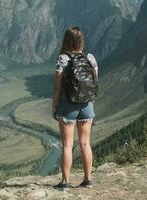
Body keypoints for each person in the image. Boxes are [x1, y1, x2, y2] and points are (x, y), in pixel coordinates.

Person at [52, 26, 98, 190]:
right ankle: (88, 180)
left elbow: (57, 87)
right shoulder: (90, 59)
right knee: (85, 143)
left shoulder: (62, 59)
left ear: (66, 40)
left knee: (67, 145)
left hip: (67, 106)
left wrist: (54, 106)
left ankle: (64, 183)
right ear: (81, 41)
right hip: (87, 105)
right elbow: (94, 83)